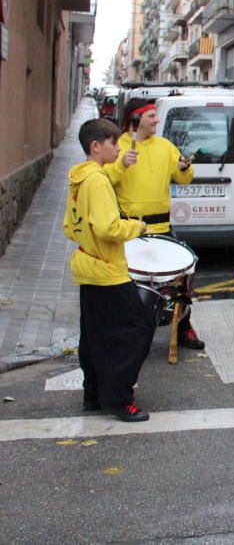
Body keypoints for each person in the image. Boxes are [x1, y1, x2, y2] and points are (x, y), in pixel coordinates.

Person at [63, 118, 152, 422]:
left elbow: (69, 227)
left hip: (88, 266)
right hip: (106, 269)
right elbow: (107, 226)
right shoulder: (98, 180)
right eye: (114, 143)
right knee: (136, 329)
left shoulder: (78, 178)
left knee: (95, 335)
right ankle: (117, 398)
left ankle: (94, 394)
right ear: (96, 146)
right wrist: (136, 227)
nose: (119, 148)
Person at [106, 97, 204, 350]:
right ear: (136, 120)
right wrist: (121, 165)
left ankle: (184, 328)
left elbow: (183, 179)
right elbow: (103, 180)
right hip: (128, 229)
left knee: (181, 281)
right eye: (151, 116)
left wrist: (184, 167)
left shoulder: (165, 146)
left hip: (161, 228)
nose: (157, 120)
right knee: (125, 285)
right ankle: (123, 331)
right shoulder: (118, 147)